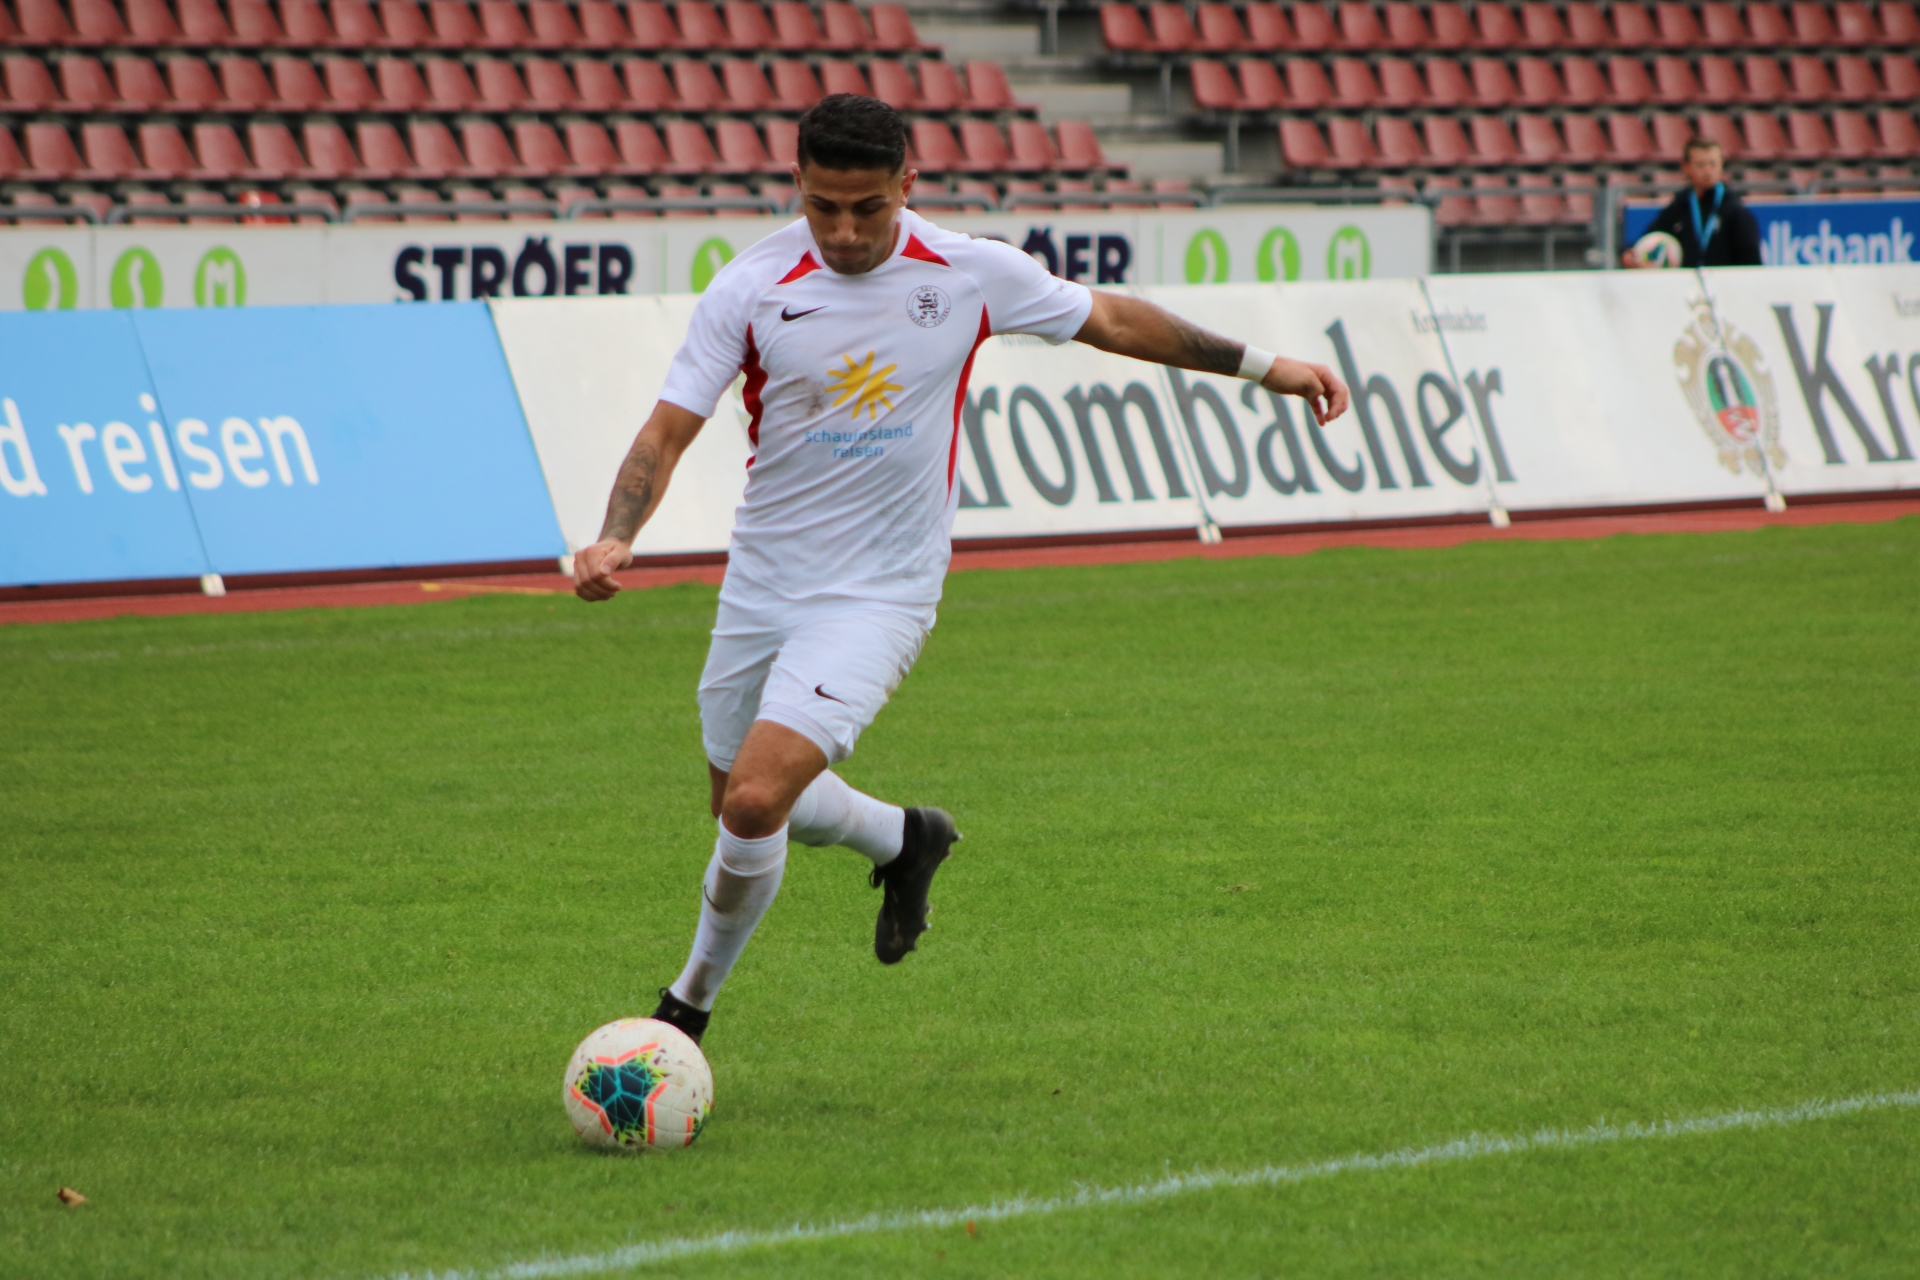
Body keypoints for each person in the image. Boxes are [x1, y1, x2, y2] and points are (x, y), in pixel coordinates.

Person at [571, 95, 1350, 1048]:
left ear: (908, 184)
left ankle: (683, 1013)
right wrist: (616, 534)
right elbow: (666, 431)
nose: (845, 231)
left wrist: (1268, 367)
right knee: (747, 804)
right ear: (797, 185)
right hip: (762, 586)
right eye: (823, 207)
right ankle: (907, 839)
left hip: (881, 594)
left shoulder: (970, 272)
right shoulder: (751, 286)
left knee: (754, 800)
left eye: (868, 207)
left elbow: (1111, 319)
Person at [1621, 136, 1762, 268]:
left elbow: (1751, 264)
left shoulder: (1735, 211)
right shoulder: (1679, 207)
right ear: (1686, 167)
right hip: (1685, 284)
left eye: (1713, 164)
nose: (1707, 171)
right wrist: (1629, 254)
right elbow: (1650, 237)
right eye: (1701, 165)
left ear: (1721, 165)